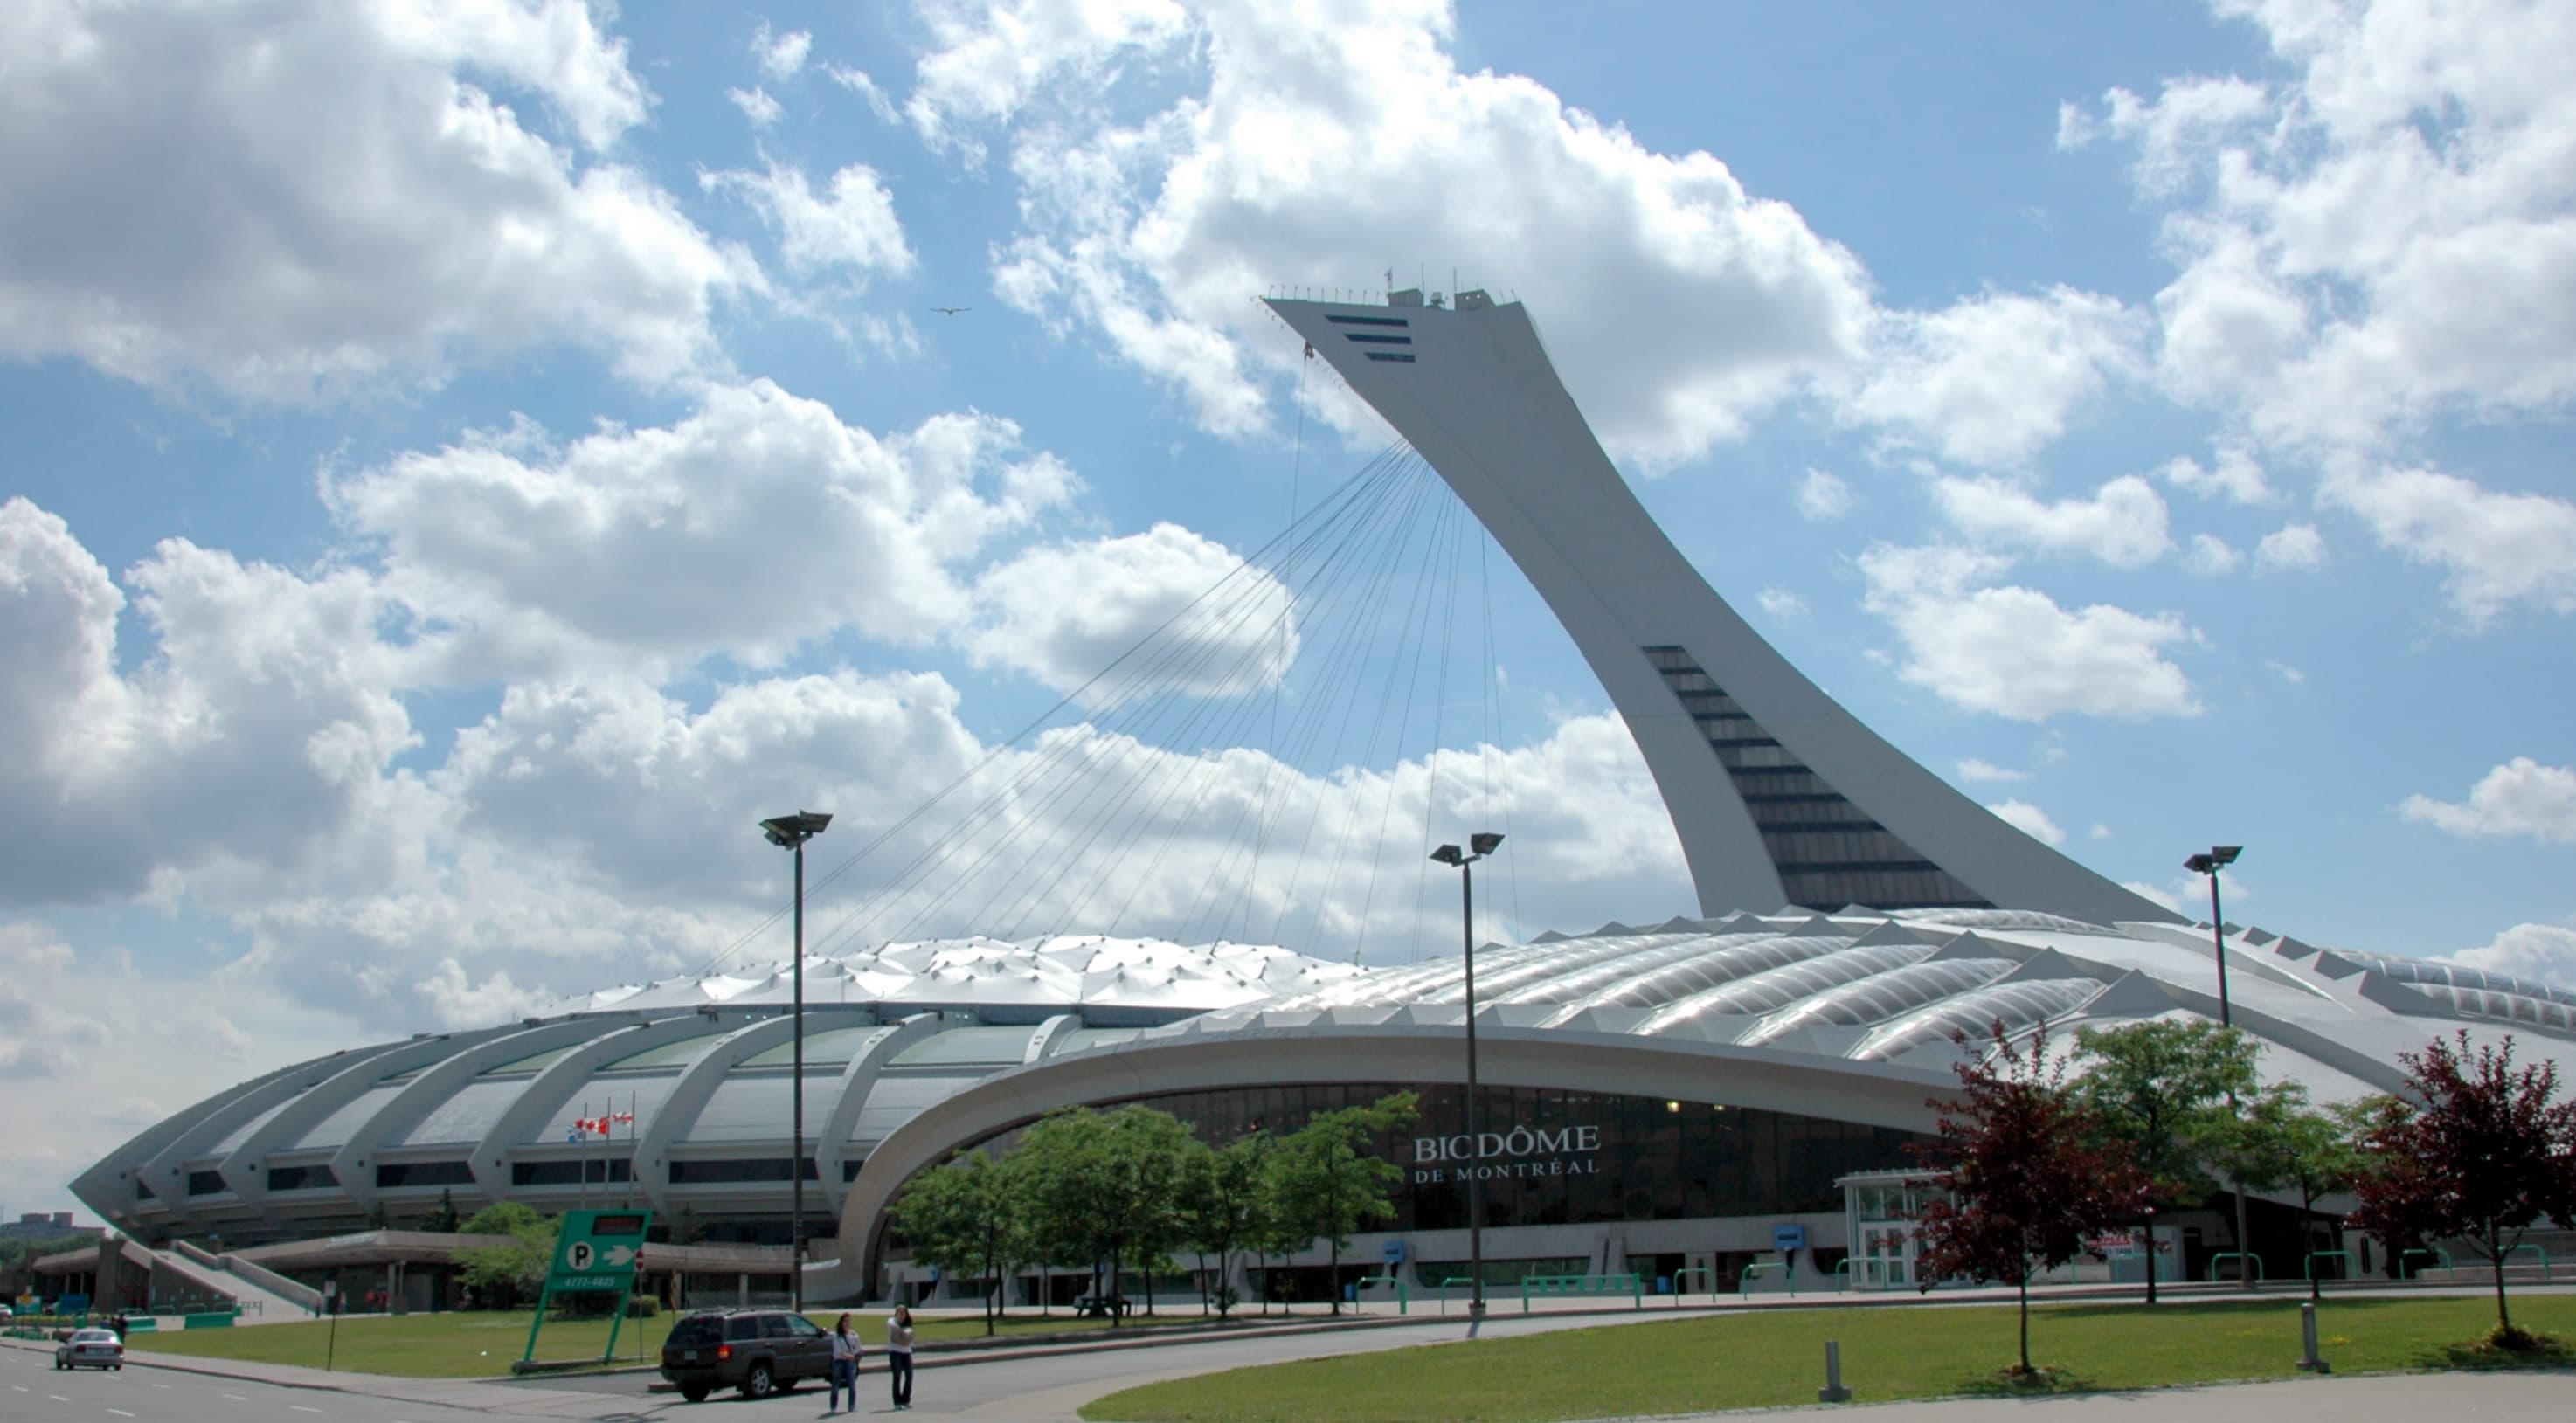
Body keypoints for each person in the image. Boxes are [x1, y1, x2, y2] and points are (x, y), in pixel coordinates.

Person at [828, 1312, 862, 1415]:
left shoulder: (853, 1335)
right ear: (841, 1322)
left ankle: (851, 1405)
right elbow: (838, 1351)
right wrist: (848, 1355)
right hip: (839, 1361)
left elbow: (858, 1349)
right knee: (836, 1384)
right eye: (845, 1321)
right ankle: (833, 1406)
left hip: (850, 1361)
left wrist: (853, 1338)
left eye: (849, 1321)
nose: (847, 1323)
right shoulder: (837, 1335)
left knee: (852, 1383)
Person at [883, 1304, 916, 1411]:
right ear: (896, 1313)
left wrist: (902, 1335)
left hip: (907, 1352)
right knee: (897, 1376)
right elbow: (894, 1328)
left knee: (909, 1376)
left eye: (904, 1313)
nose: (902, 1315)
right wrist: (904, 1333)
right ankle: (897, 1402)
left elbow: (909, 1337)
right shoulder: (891, 1321)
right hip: (895, 1352)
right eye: (900, 1313)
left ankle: (906, 1400)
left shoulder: (909, 1324)